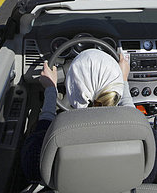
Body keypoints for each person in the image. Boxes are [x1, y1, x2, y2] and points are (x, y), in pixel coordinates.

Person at [21, 49, 134, 182]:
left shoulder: (60, 133)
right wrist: (124, 80)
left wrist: (51, 90)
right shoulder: (137, 129)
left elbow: (32, 169)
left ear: (73, 87)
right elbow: (148, 173)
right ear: (117, 84)